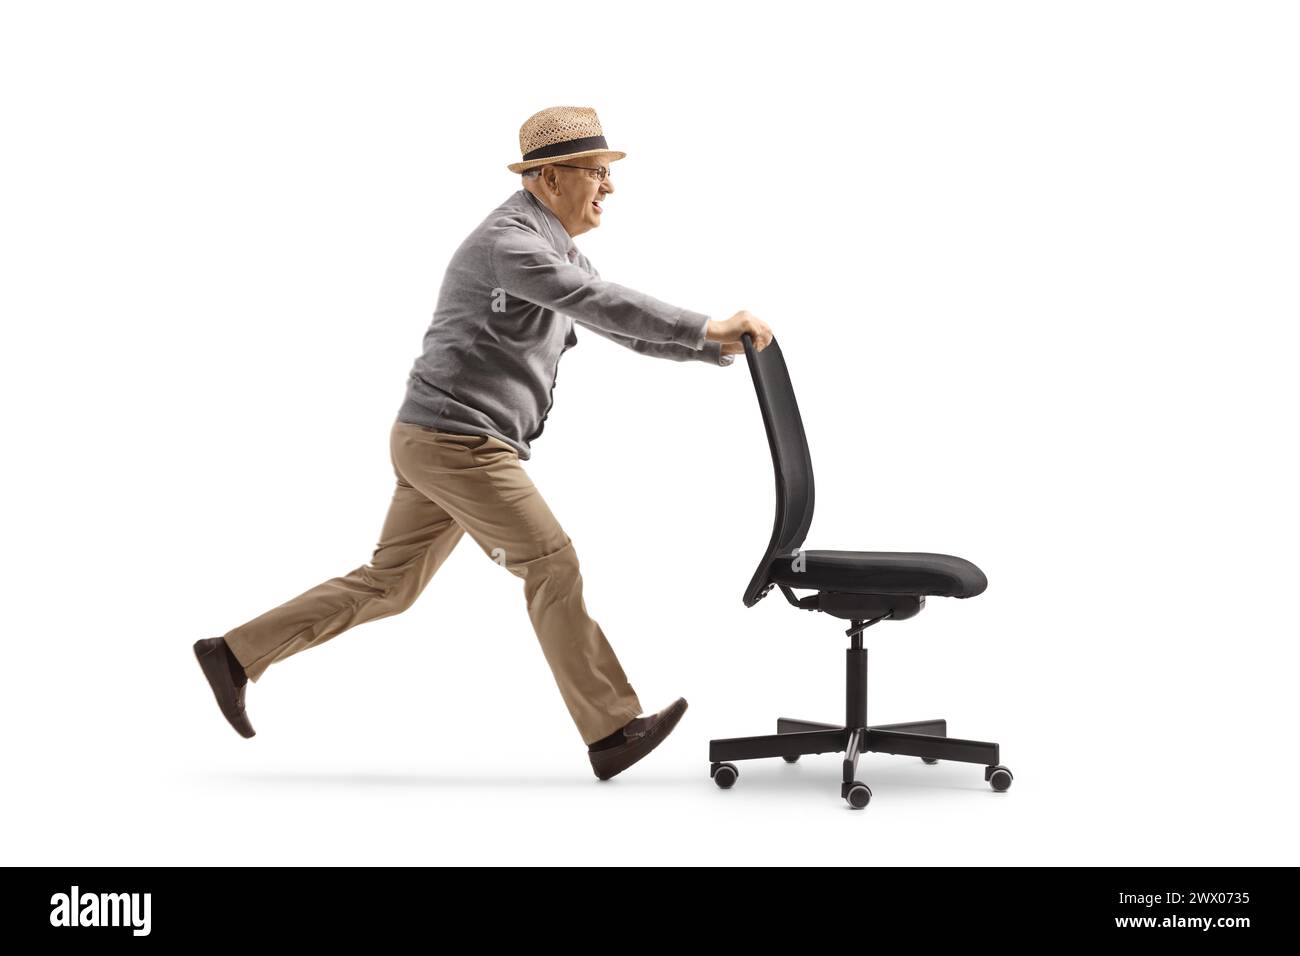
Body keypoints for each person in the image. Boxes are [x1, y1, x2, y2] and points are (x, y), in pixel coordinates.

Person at [193, 105, 773, 780]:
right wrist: (705, 325)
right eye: (596, 172)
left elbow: (610, 321)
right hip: (457, 443)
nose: (608, 187)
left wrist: (713, 348)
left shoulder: (554, 247)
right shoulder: (512, 243)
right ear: (549, 178)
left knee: (390, 584)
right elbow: (604, 300)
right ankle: (612, 729)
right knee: (551, 562)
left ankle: (234, 653)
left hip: (434, 437)